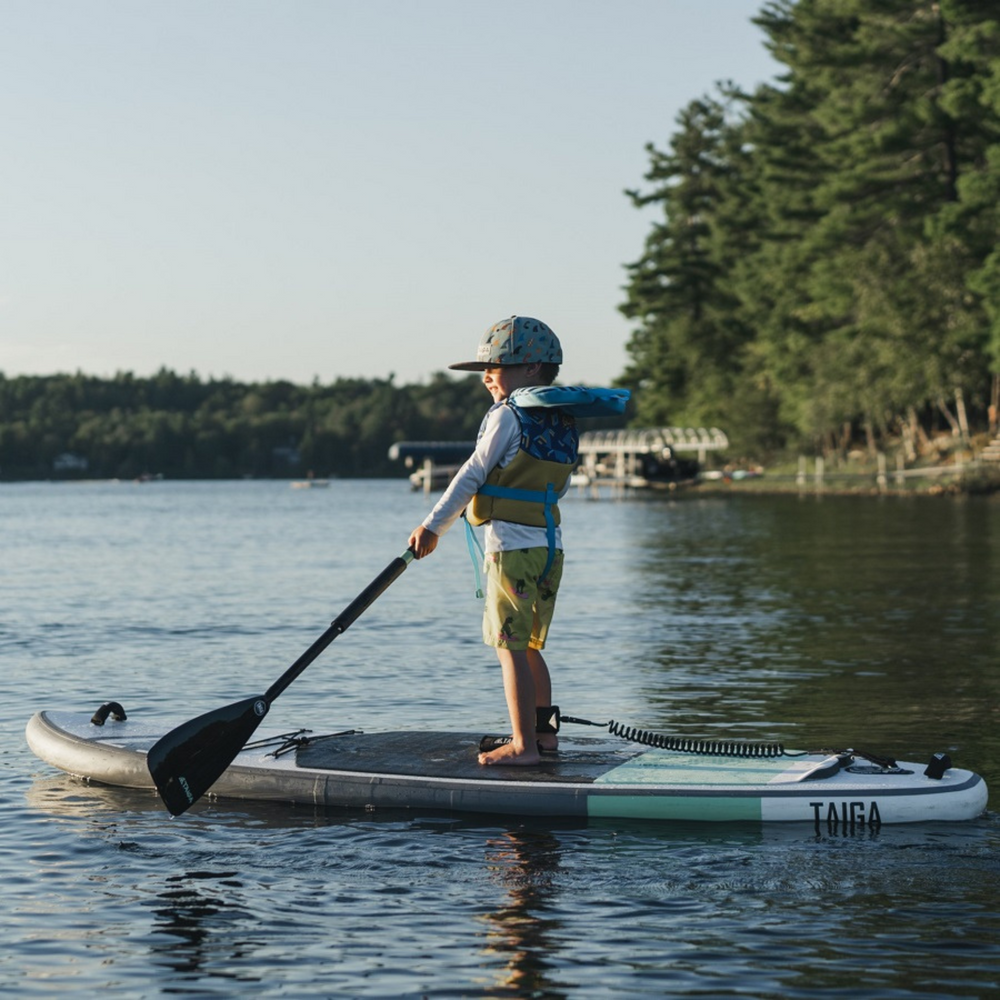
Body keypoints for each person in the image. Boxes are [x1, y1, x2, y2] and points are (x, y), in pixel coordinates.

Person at [408, 315, 580, 766]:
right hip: (549, 549)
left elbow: (472, 473)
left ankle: (522, 747)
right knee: (530, 646)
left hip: (510, 549)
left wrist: (432, 526)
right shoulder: (561, 421)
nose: (486, 376)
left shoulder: (507, 415)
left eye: (496, 366)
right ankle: (545, 739)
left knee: (509, 650)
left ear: (531, 369)